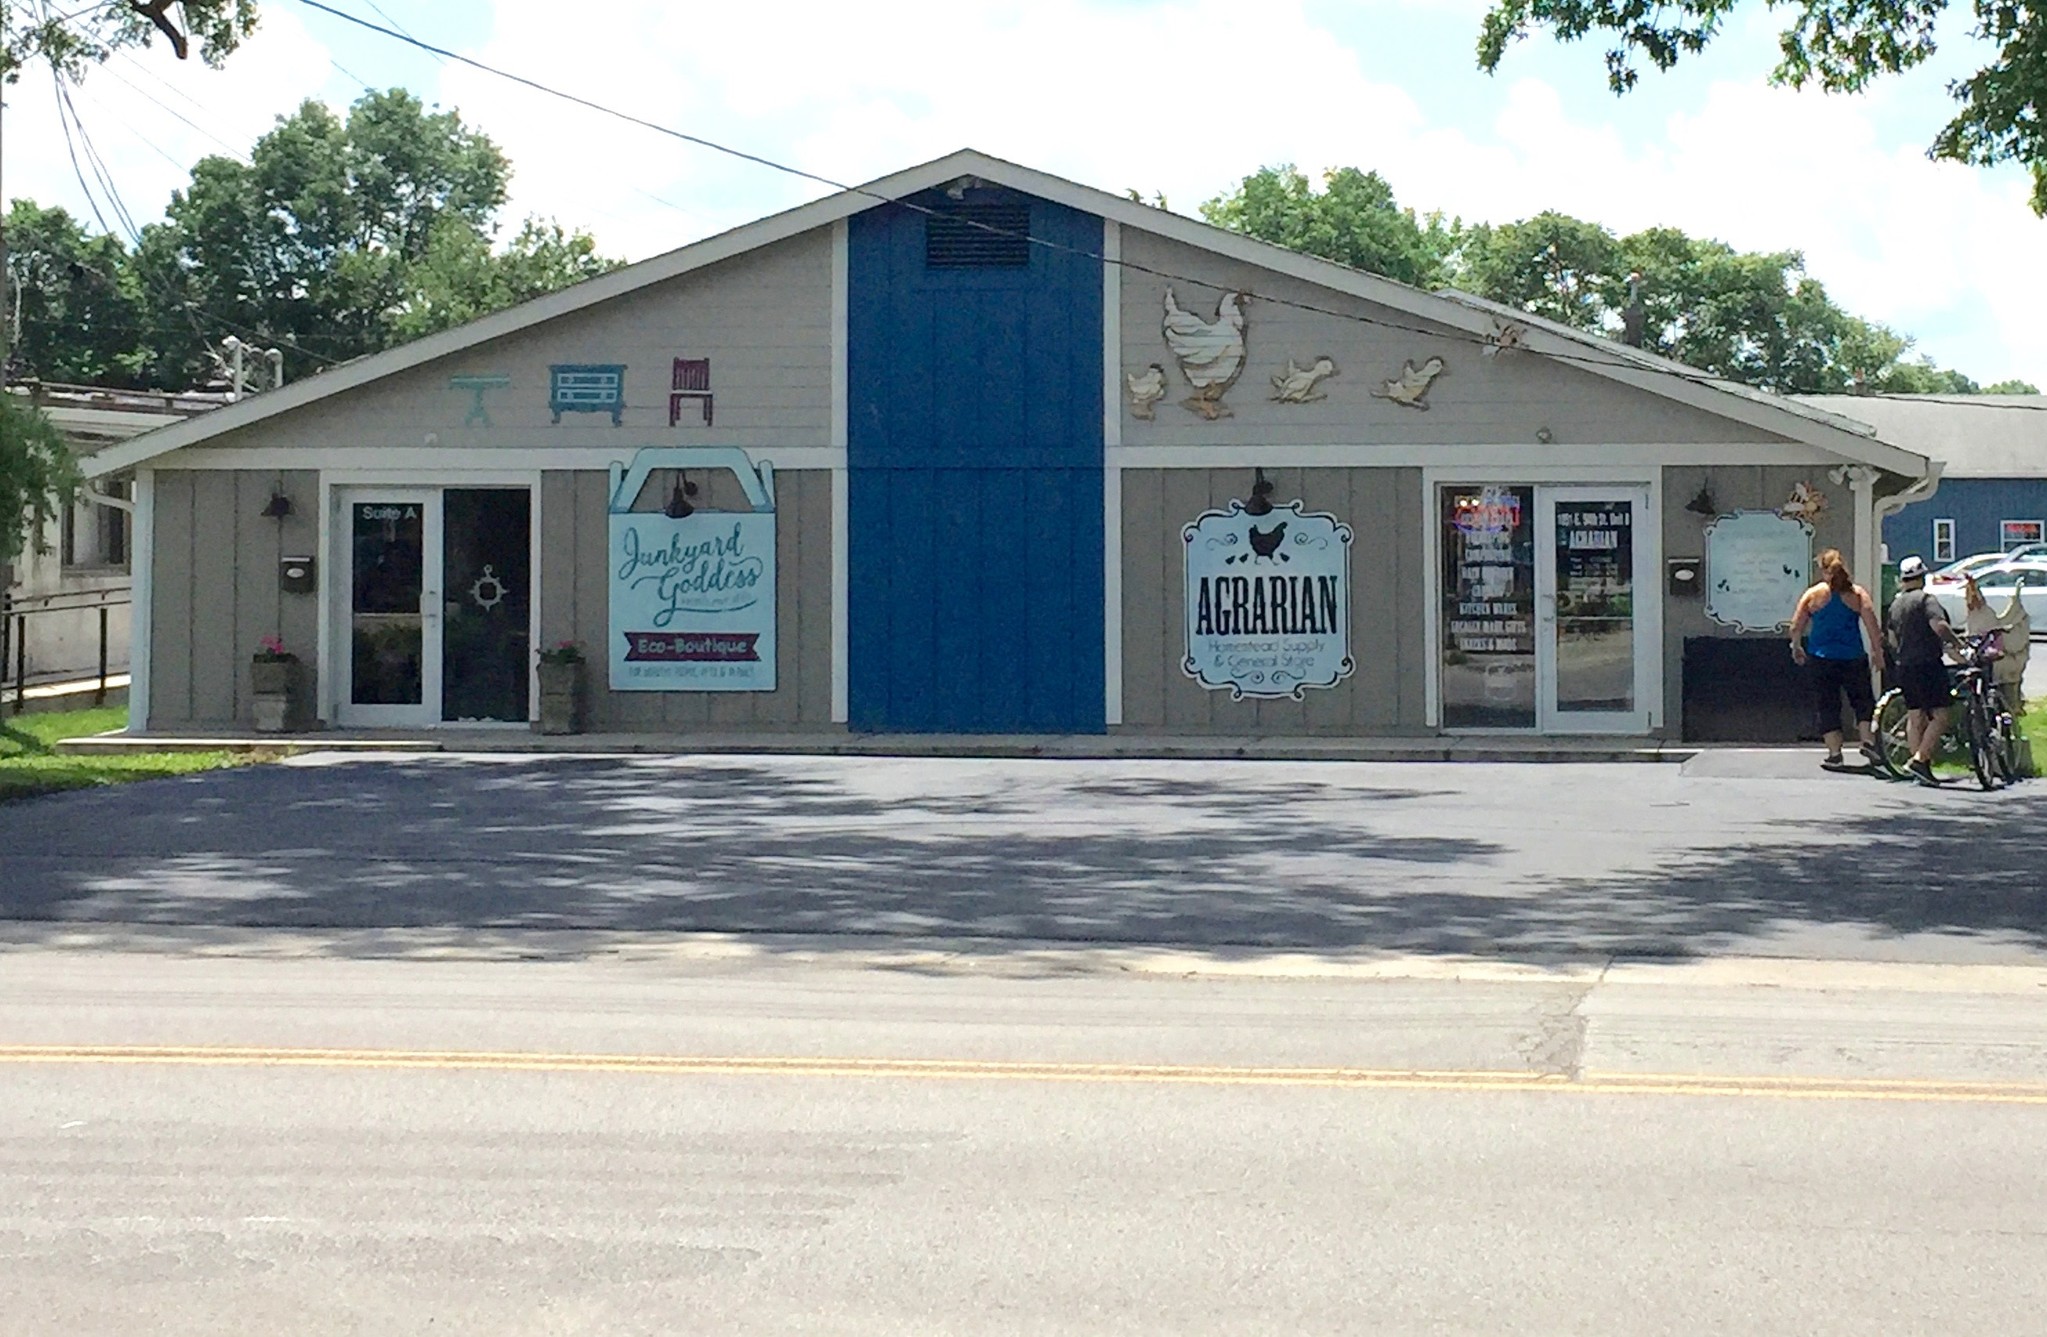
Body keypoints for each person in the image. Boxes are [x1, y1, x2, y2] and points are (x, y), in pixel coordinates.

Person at [1788, 549, 1885, 769]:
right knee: (1862, 701)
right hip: (1853, 657)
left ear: (1824, 570)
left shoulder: (1813, 595)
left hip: (1821, 659)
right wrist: (1877, 653)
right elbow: (1872, 626)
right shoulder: (1857, 594)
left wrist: (1796, 646)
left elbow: (1796, 625)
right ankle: (1868, 741)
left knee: (1828, 705)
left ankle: (1835, 754)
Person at [1886, 555, 1968, 788]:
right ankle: (1920, 760)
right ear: (1922, 577)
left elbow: (1891, 638)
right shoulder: (1926, 600)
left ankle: (1918, 765)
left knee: (1915, 715)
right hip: (1928, 665)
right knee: (1941, 716)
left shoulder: (1896, 604)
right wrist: (1956, 641)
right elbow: (1938, 626)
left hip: (1904, 666)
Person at [1963, 572, 2031, 712]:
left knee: (2008, 696)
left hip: (2002, 668)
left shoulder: (1992, 618)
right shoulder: (1979, 615)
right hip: (1985, 665)